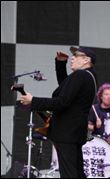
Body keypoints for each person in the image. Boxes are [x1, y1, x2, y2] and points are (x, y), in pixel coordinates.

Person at [20, 46, 97, 178]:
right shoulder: (89, 76)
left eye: (76, 55)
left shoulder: (80, 75)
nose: (72, 57)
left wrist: (33, 100)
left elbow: (62, 101)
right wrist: (61, 63)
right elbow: (66, 88)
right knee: (77, 173)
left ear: (86, 60)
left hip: (67, 132)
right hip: (75, 132)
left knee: (69, 174)